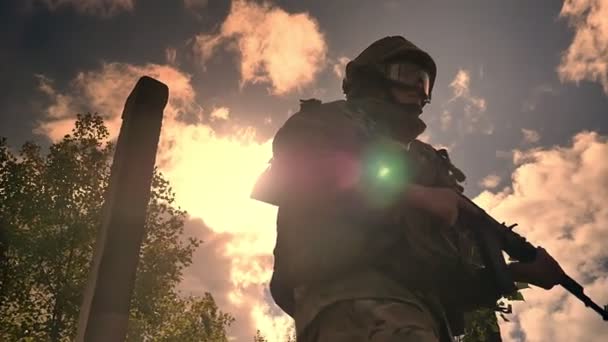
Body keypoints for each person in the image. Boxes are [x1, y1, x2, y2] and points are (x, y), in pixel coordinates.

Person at [251, 36, 565, 342]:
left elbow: (450, 282)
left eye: (425, 82)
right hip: (356, 301)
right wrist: (417, 196)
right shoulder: (331, 120)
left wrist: (520, 274)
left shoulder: (421, 162)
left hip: (416, 316)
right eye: (407, 75)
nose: (419, 88)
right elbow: (301, 168)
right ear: (374, 77)